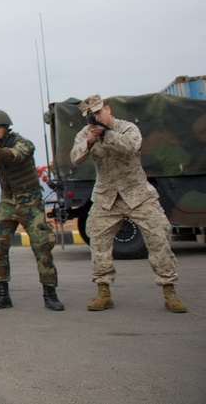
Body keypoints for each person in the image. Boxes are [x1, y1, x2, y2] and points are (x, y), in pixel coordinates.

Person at [71, 94, 187, 313]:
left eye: (98, 112)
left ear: (108, 109)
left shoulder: (127, 128)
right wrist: (89, 141)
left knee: (159, 240)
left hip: (138, 195)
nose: (95, 118)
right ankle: (103, 292)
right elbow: (75, 158)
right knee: (98, 245)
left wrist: (107, 134)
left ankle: (170, 291)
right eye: (91, 115)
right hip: (107, 197)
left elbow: (131, 147)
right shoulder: (86, 134)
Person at [0, 109, 63, 311]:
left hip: (30, 200)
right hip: (8, 200)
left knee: (42, 246)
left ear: (6, 126)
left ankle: (50, 294)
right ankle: (2, 293)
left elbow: (16, 156)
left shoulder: (22, 142)